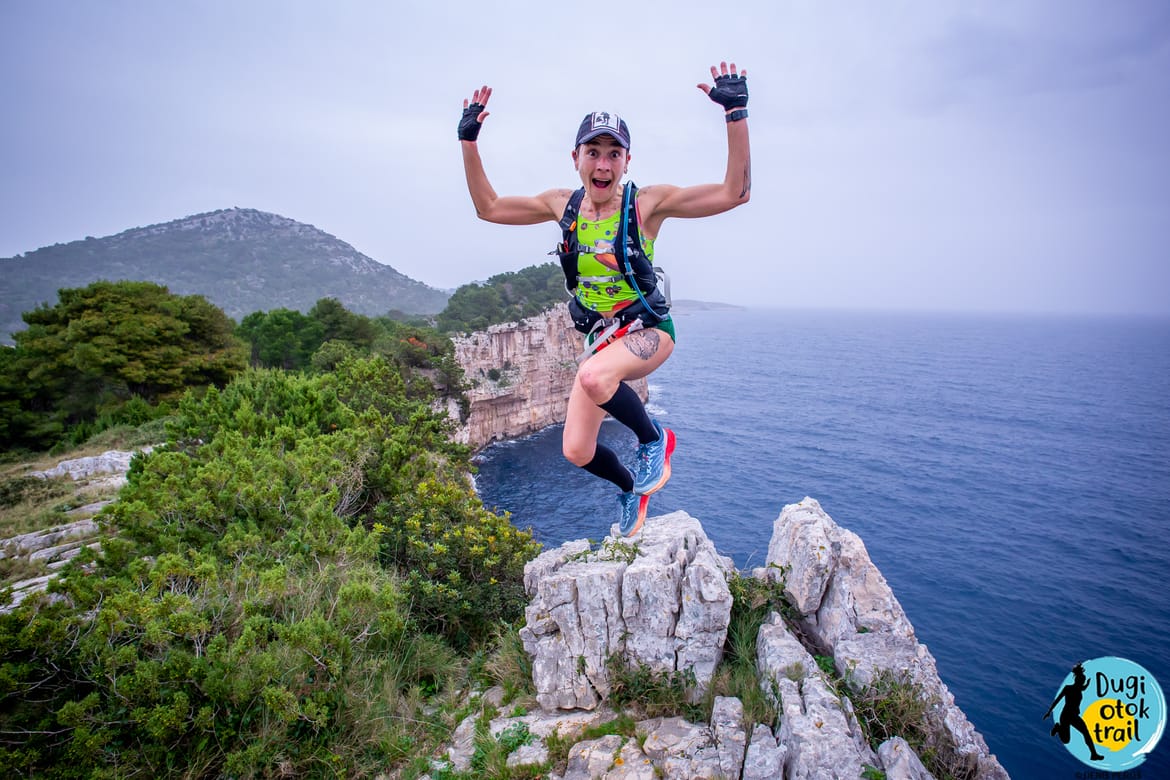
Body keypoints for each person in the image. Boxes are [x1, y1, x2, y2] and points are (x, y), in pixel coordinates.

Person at [458, 62, 752, 536]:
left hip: (649, 333)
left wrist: (735, 114)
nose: (603, 164)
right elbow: (488, 208)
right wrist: (468, 142)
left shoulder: (645, 204)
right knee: (575, 449)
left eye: (614, 154)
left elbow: (734, 193)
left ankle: (655, 438)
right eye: (593, 152)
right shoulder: (563, 206)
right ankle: (629, 490)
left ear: (627, 161)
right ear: (575, 156)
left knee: (593, 376)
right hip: (601, 341)